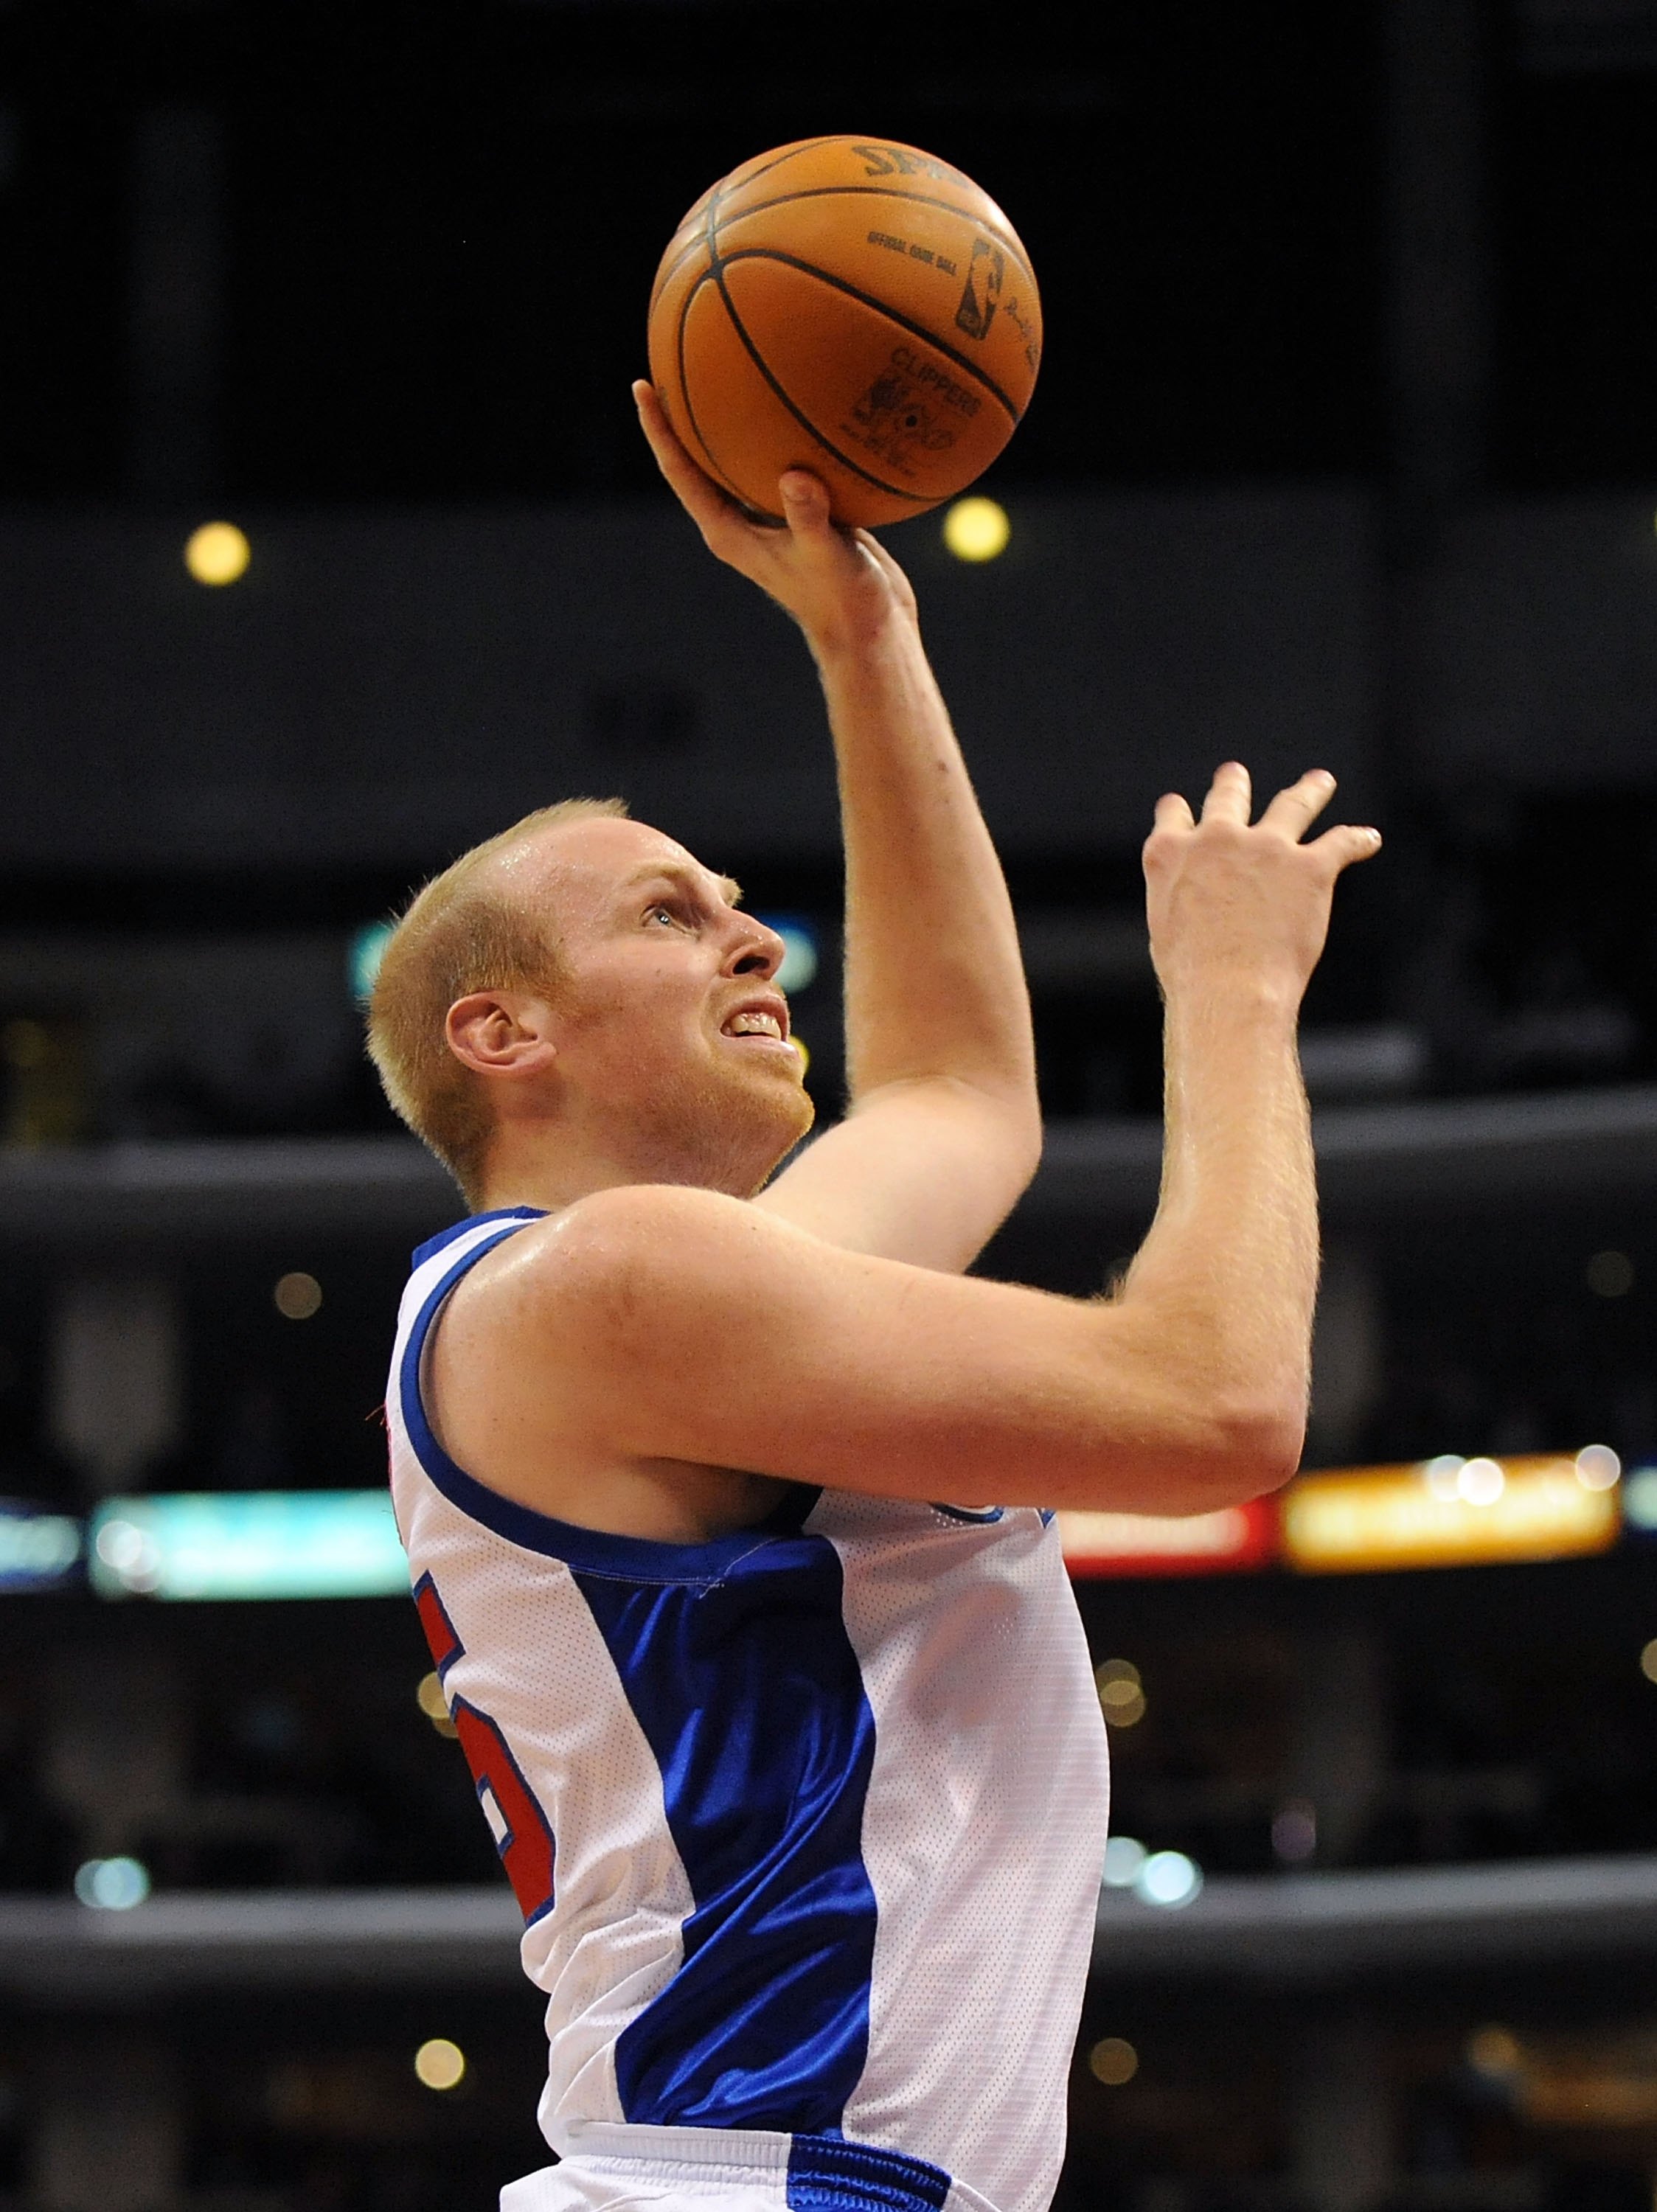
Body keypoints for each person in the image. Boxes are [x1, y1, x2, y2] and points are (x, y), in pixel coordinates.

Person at [369, 381, 1380, 2212]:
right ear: (499, 1031)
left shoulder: (637, 1298)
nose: (754, 935)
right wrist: (1226, 1000)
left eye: (737, 901)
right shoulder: (609, 1283)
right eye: (668, 916)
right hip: (757, 2182)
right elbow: (1222, 1405)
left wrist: (864, 634)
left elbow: (954, 1097)